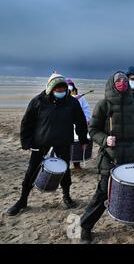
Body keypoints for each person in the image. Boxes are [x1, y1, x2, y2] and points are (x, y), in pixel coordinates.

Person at [79, 71, 134, 243]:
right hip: (111, 157)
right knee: (103, 192)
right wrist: (105, 139)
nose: (122, 82)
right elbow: (93, 130)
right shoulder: (103, 105)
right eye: (118, 80)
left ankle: (132, 219)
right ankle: (86, 226)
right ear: (112, 84)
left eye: (124, 80)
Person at [7, 73, 89, 216]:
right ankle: (22, 200)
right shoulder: (38, 101)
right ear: (51, 89)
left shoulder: (72, 102)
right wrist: (26, 142)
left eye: (64, 90)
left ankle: (67, 196)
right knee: (31, 171)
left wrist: (83, 140)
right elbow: (26, 123)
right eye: (58, 90)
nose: (61, 92)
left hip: (63, 142)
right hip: (41, 143)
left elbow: (81, 122)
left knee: (65, 172)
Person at [67, 78, 92, 170]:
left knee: (77, 145)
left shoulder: (81, 98)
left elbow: (86, 109)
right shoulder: (62, 99)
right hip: (66, 125)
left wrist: (86, 119)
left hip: (78, 124)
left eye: (71, 84)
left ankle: (76, 164)